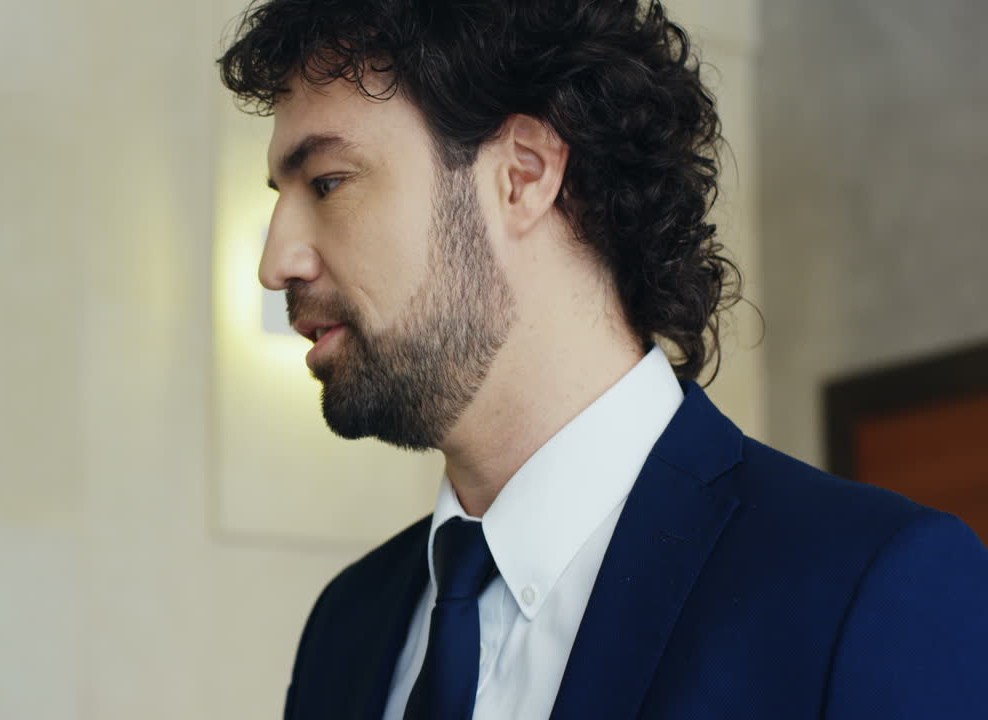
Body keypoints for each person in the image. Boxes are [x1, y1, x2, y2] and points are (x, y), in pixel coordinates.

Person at [216, 1, 988, 718]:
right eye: (282, 193)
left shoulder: (868, 588)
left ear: (523, 174)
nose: (275, 262)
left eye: (328, 183)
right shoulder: (345, 628)